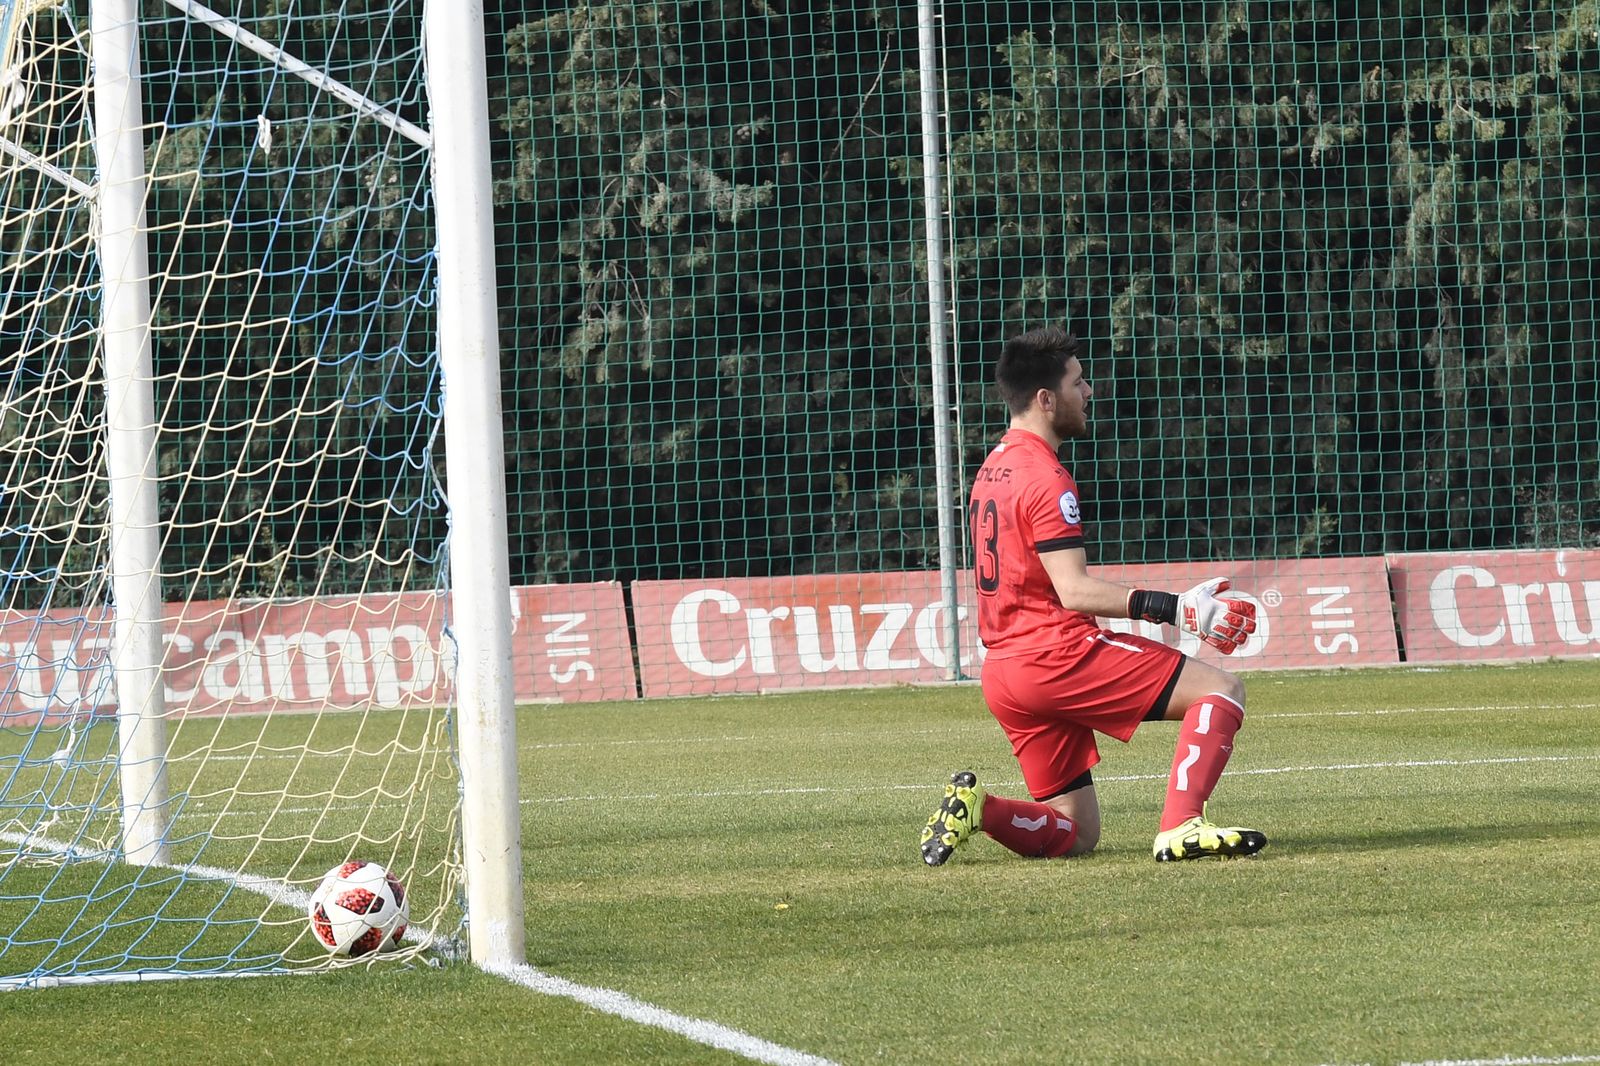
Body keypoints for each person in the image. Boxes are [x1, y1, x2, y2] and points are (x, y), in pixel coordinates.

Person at [920, 325, 1265, 866]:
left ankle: (979, 808)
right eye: (1079, 382)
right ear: (1045, 398)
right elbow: (1074, 591)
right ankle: (1181, 825)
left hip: (1006, 674)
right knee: (1220, 691)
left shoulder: (993, 467)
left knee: (1077, 834)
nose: (1090, 392)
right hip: (1055, 656)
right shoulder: (1045, 477)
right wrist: (1178, 608)